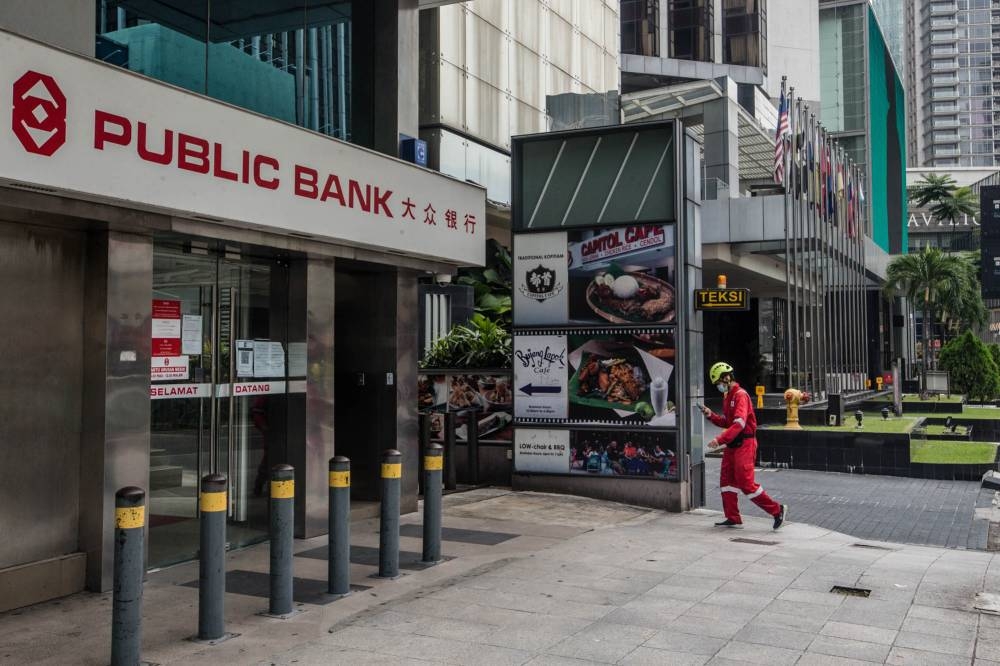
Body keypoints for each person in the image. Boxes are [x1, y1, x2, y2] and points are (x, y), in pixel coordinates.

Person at [701, 362, 787, 530]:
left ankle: (777, 510)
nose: (718, 386)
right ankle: (732, 517)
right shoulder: (728, 396)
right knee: (726, 481)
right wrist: (711, 415)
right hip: (733, 445)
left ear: (727, 377)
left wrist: (720, 439)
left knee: (746, 483)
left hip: (745, 444)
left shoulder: (741, 395)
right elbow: (728, 421)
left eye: (719, 382)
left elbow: (739, 423)